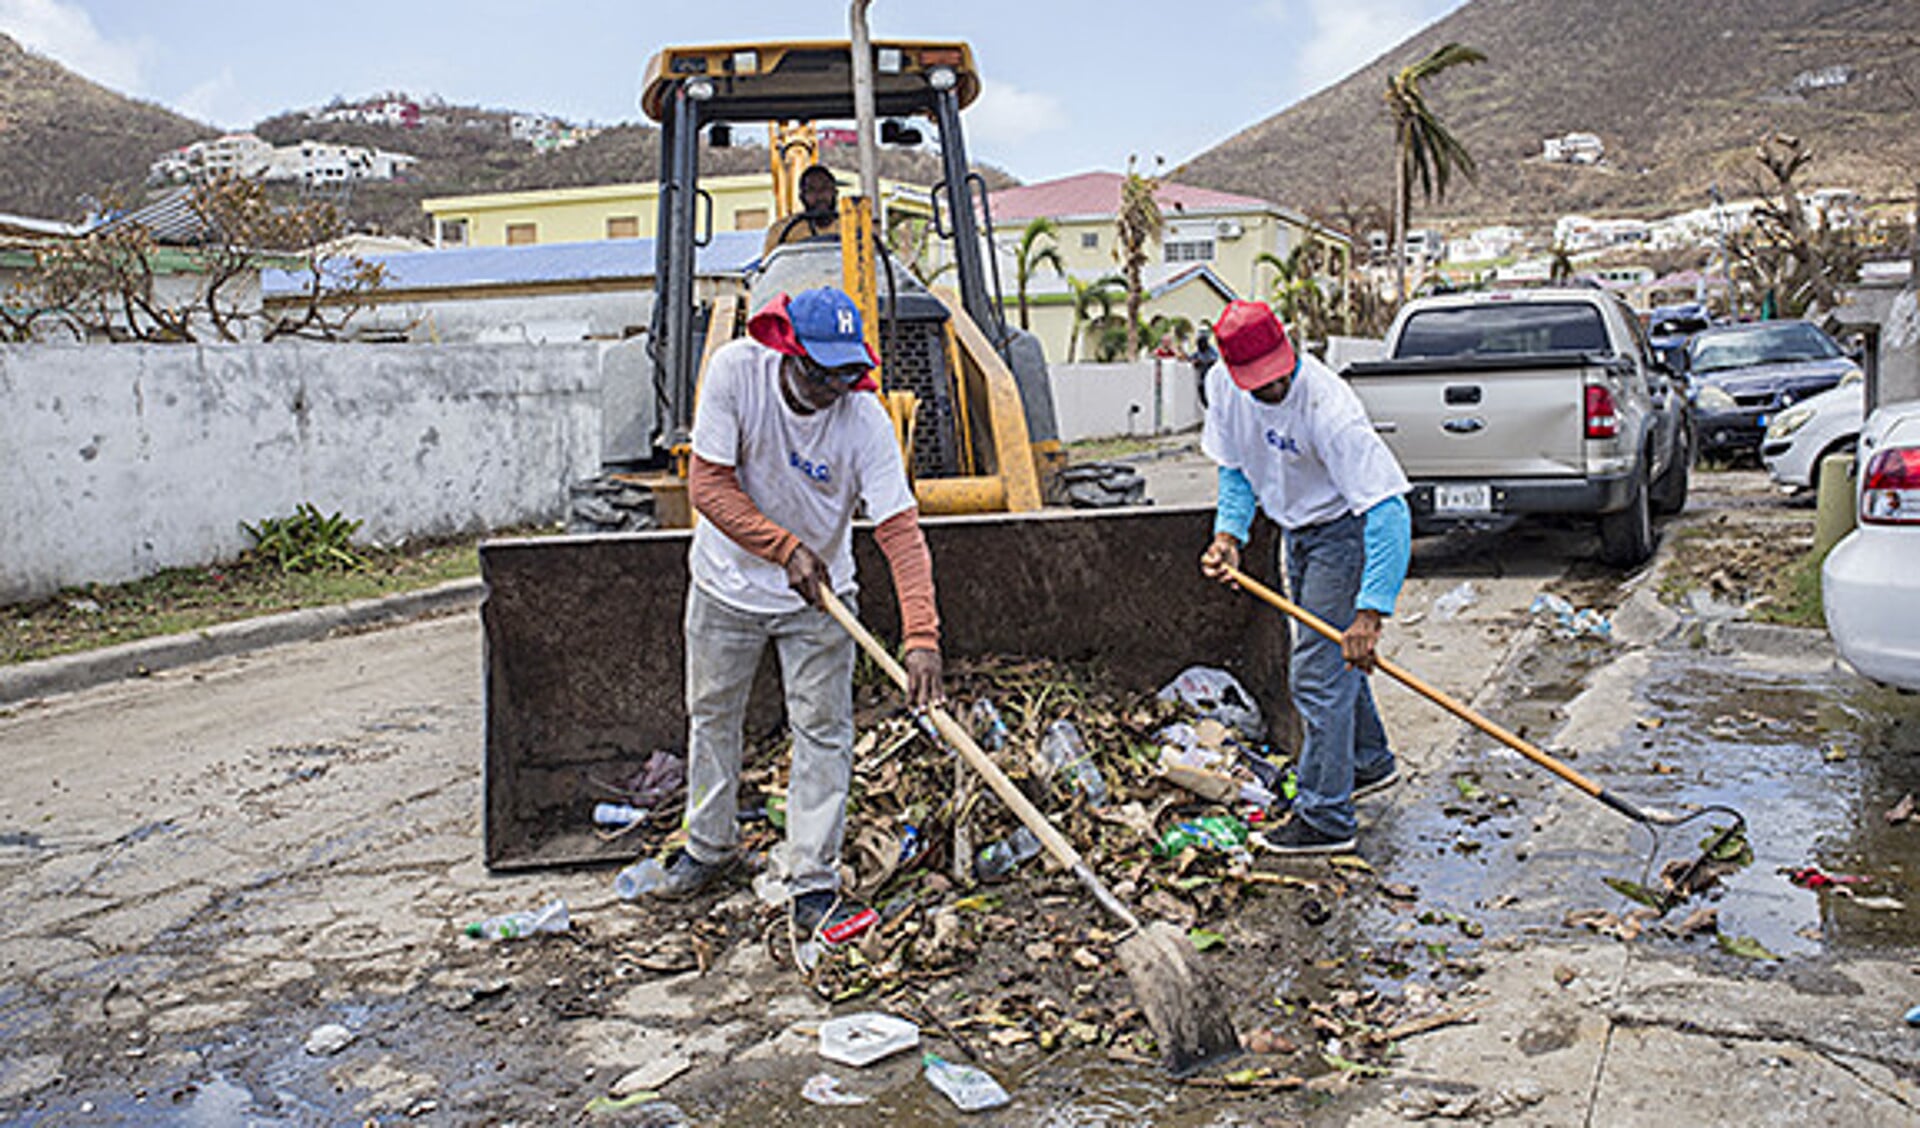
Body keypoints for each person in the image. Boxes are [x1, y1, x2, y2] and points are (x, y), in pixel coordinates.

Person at [654, 285, 945, 967]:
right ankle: (708, 848)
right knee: (713, 715)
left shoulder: (864, 419)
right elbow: (709, 487)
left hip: (821, 599)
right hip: (726, 585)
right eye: (819, 373)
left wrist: (922, 635)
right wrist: (783, 548)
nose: (831, 388)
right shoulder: (734, 372)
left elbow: (900, 532)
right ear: (786, 350)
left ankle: (813, 880)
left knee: (823, 731)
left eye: (846, 374)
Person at [1197, 300, 1411, 854]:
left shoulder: (1329, 407)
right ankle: (1366, 763)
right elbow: (1237, 469)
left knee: (1315, 677)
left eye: (1276, 376)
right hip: (1297, 532)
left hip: (1342, 535)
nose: (1270, 389)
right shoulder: (1223, 388)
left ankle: (1326, 817)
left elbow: (1389, 510)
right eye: (1257, 383)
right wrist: (1229, 536)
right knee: (1332, 665)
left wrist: (1370, 611)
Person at [763, 164, 842, 253]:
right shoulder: (780, 231)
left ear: (835, 193)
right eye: (811, 190)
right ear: (802, 197)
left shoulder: (851, 226)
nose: (820, 196)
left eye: (825, 188)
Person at [1191, 328, 1218, 410]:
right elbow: (1191, 359)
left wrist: (1203, 362)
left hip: (1211, 381)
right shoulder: (1198, 352)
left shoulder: (1211, 351)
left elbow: (1214, 359)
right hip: (1202, 381)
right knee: (1203, 400)